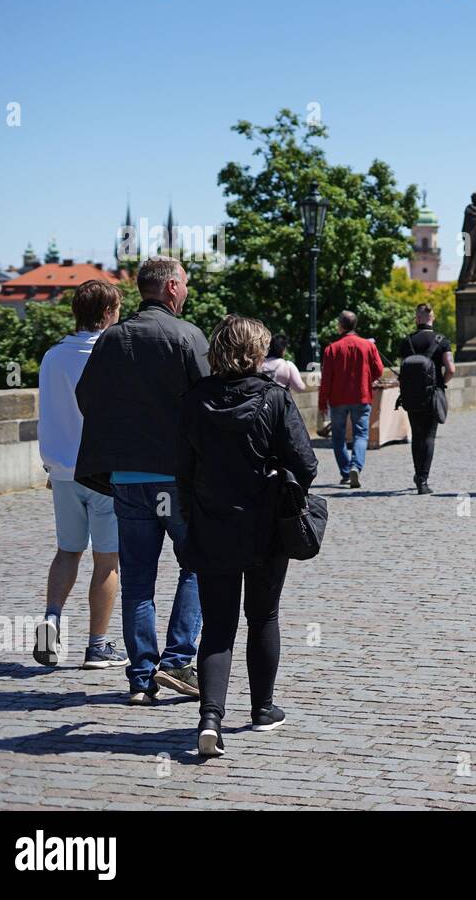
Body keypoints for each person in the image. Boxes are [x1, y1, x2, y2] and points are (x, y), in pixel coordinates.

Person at [178, 315, 318, 757]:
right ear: (256, 352)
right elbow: (307, 464)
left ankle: (210, 719)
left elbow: (181, 468)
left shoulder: (194, 399)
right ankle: (262, 710)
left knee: (218, 627)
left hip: (211, 523)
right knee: (263, 616)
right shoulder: (275, 399)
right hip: (265, 525)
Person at [74, 256, 208, 703]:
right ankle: (176, 661)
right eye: (184, 284)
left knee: (137, 580)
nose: (186, 290)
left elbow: (86, 396)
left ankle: (141, 678)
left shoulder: (111, 339)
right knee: (197, 564)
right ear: (171, 287)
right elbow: (208, 405)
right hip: (174, 482)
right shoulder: (188, 336)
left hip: (128, 480)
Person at [33, 280, 126, 670]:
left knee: (68, 550)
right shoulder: (114, 354)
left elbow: (50, 412)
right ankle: (97, 645)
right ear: (107, 313)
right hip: (104, 471)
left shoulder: (53, 356)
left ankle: (52, 617)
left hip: (63, 470)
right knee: (107, 560)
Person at [318, 310, 385, 489]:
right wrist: (366, 379)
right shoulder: (368, 346)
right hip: (361, 396)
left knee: (338, 437)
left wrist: (322, 402)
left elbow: (326, 379)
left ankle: (346, 472)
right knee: (361, 434)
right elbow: (379, 369)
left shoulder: (332, 348)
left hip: (337, 398)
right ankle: (356, 466)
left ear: (341, 325)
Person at [397, 303, 454, 494]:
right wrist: (441, 383)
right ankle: (423, 479)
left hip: (411, 396)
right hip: (433, 395)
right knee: (429, 437)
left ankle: (417, 474)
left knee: (417, 435)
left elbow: (402, 370)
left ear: (417, 318)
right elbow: (451, 369)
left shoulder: (407, 341)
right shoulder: (442, 341)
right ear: (433, 317)